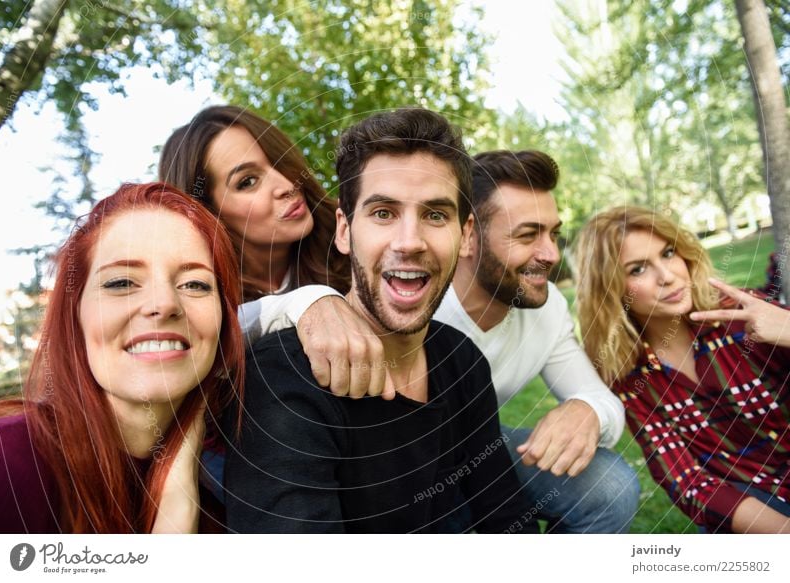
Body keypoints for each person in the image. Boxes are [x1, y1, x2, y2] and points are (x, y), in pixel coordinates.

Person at [223, 108, 539, 533]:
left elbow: (505, 515)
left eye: (435, 215)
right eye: (383, 213)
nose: (409, 242)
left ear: (465, 236)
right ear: (343, 230)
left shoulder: (462, 359)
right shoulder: (284, 381)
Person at [0, 182, 244, 533]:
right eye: (121, 282)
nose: (164, 303)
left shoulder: (243, 478)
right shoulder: (3, 465)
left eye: (195, 284)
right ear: (74, 316)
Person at [431, 150, 638, 533]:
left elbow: (605, 403)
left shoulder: (548, 309)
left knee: (611, 487)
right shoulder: (416, 300)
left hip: (482, 447)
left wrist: (586, 410)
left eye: (553, 233)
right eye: (528, 235)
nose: (551, 254)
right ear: (467, 235)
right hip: (401, 461)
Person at [574, 206, 790, 533]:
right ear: (610, 289)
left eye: (669, 253)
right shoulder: (625, 376)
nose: (668, 276)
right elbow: (686, 481)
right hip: (746, 509)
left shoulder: (742, 317)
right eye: (638, 269)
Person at [159, 105, 387, 399]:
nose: (285, 185)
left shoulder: (351, 237)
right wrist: (304, 302)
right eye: (248, 182)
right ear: (211, 214)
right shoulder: (198, 296)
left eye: (279, 162)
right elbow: (208, 336)